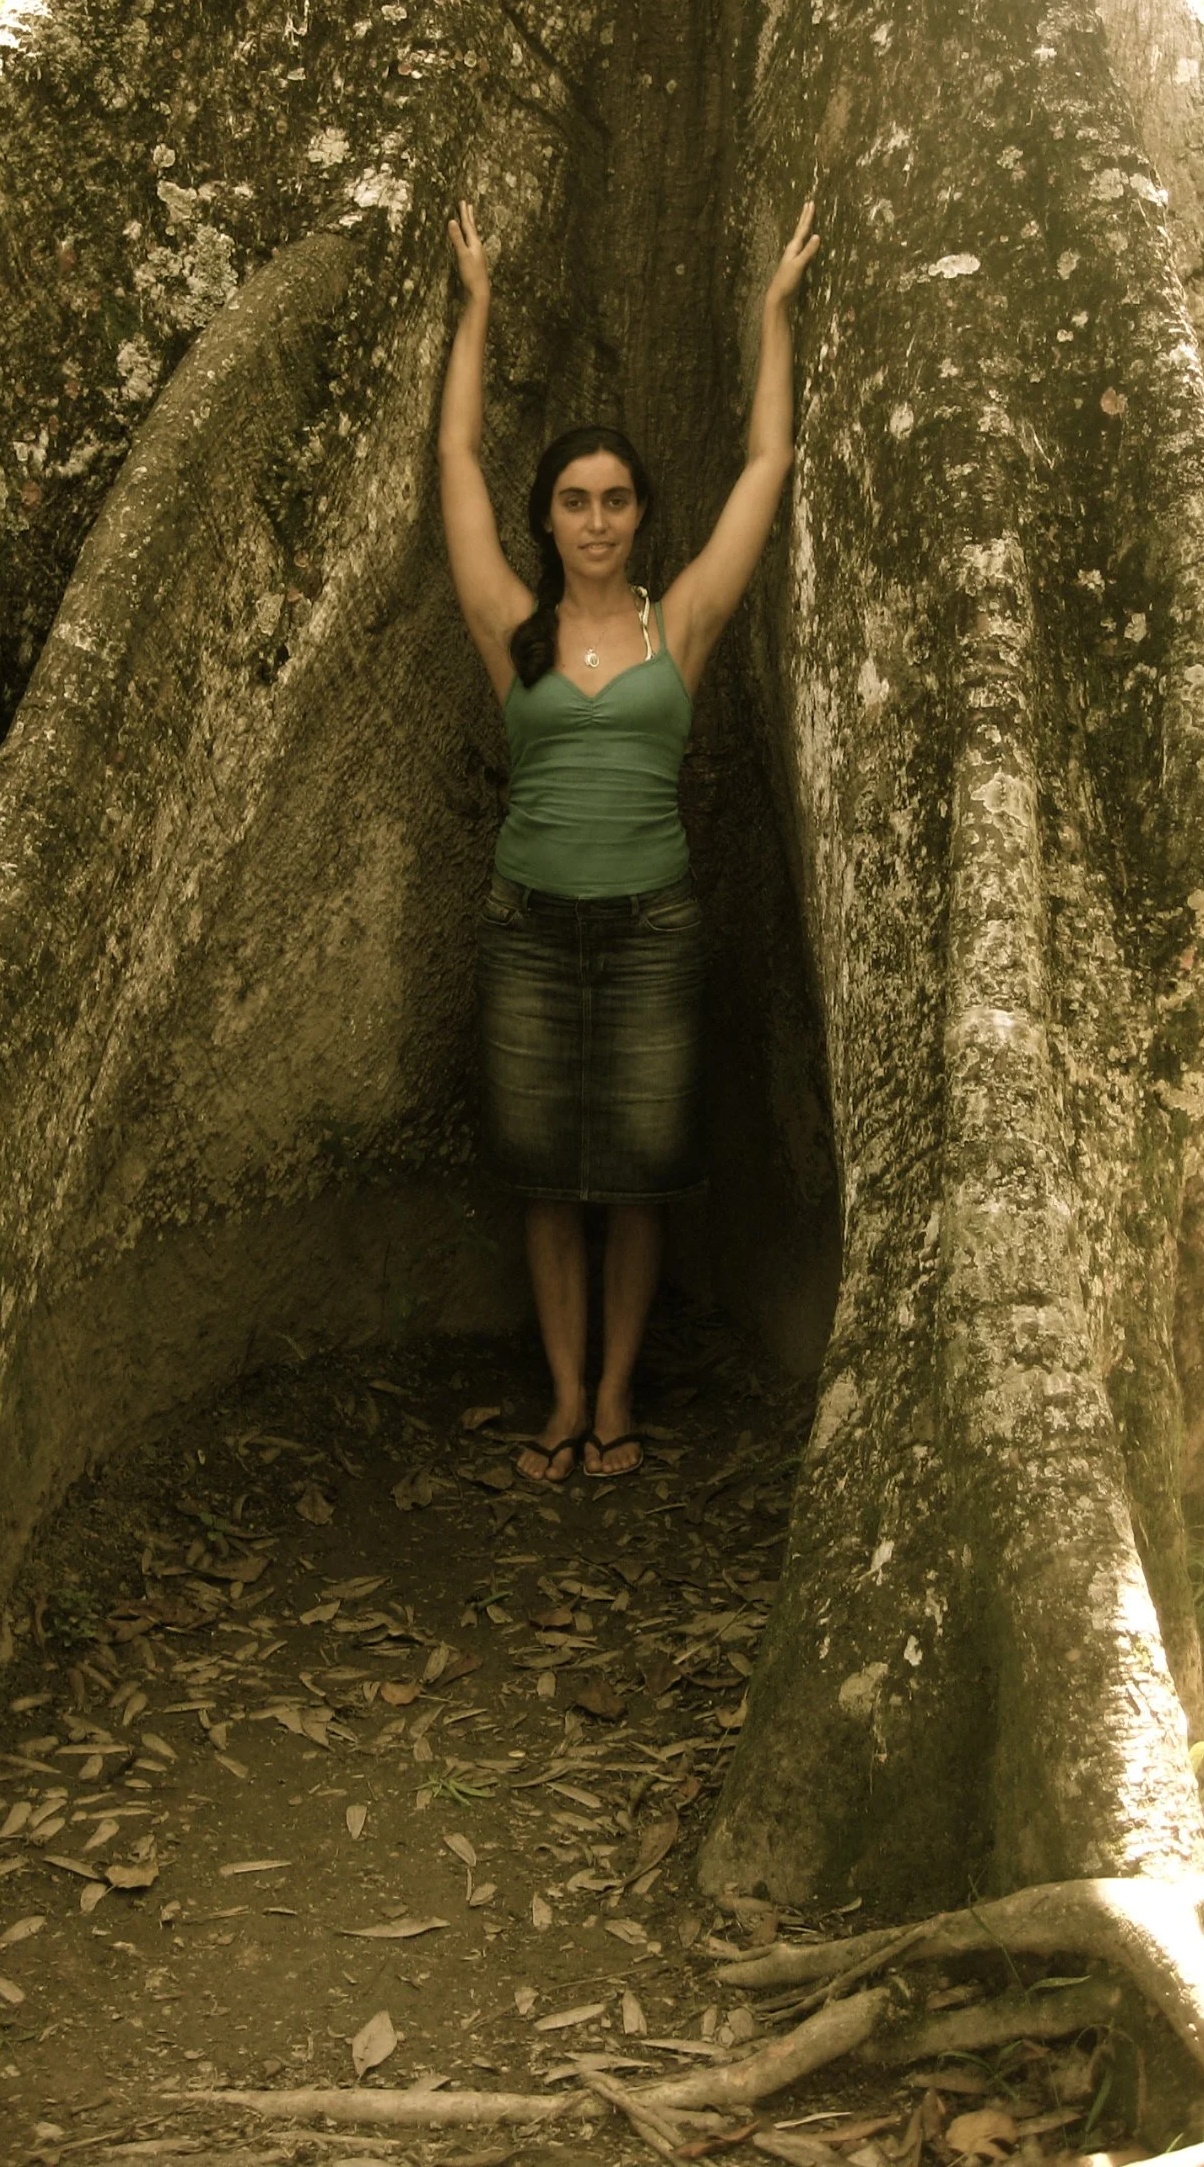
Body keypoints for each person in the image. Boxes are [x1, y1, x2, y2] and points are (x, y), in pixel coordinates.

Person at [437, 196, 821, 1481]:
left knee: (642, 1180)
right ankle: (560, 1399)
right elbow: (452, 464)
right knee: (551, 1179)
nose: (595, 520)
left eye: (615, 502)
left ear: (640, 518)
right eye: (573, 502)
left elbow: (767, 467)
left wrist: (772, 314)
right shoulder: (513, 627)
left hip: (654, 929)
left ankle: (614, 1400)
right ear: (546, 520)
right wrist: (477, 307)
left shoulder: (684, 623)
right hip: (529, 935)